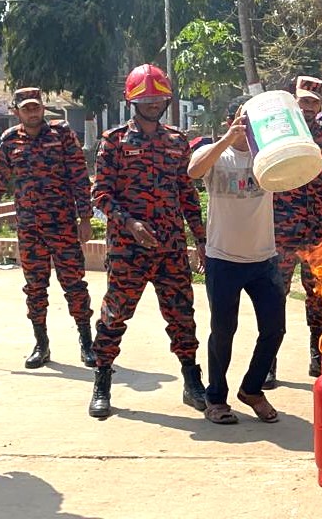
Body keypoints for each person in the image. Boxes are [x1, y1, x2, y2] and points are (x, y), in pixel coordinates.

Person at [87, 64, 208, 419]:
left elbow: (187, 193)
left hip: (170, 249)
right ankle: (103, 380)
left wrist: (199, 240)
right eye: (147, 98)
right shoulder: (114, 141)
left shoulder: (177, 141)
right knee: (114, 315)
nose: (154, 103)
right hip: (128, 250)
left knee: (182, 316)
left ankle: (191, 380)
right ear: (133, 101)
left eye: (159, 97)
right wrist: (130, 223)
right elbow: (101, 195)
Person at [0, 88, 96, 369]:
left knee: (74, 285)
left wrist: (84, 219)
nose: (33, 111)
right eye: (26, 108)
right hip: (29, 230)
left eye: (36, 106)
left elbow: (80, 178)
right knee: (35, 289)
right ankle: (41, 344)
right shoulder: (9, 143)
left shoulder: (62, 136)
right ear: (16, 111)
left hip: (63, 227)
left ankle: (86, 341)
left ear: (43, 107)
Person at [188, 100, 285, 424]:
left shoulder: (266, 156)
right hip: (223, 259)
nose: (247, 126)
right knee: (223, 331)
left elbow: (294, 169)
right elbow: (193, 171)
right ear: (231, 120)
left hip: (263, 259)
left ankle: (252, 389)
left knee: (274, 328)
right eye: (242, 119)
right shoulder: (216, 153)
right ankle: (216, 398)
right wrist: (228, 138)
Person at [268, 76, 322, 387]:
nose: (307, 108)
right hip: (281, 231)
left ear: (320, 106)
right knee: (275, 295)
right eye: (303, 101)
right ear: (294, 100)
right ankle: (268, 359)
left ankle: (318, 354)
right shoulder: (279, 134)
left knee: (318, 295)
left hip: (315, 230)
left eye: (313, 103)